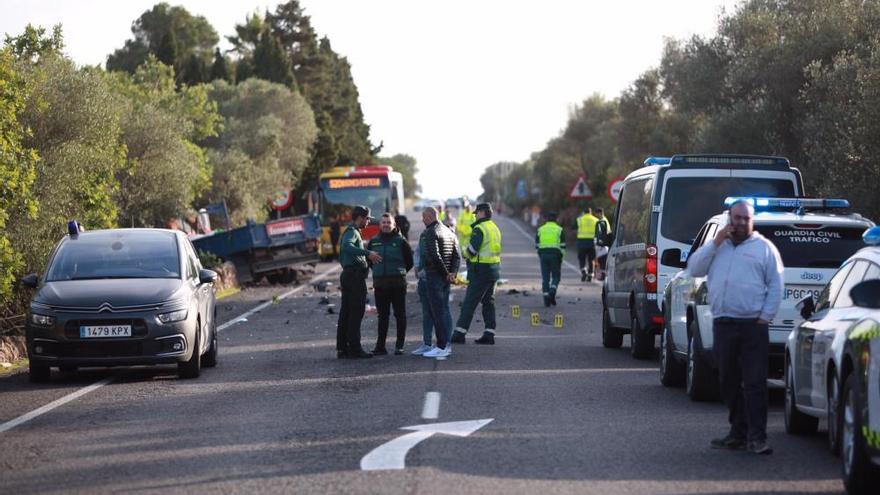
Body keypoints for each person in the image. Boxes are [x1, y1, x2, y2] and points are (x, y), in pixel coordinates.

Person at [686, 199, 783, 455]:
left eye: (745, 219)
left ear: (752, 221)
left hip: (753, 326)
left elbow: (776, 284)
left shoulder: (764, 248)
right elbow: (694, 268)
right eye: (736, 218)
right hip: (724, 323)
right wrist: (715, 242)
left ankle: (757, 437)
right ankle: (738, 432)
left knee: (754, 383)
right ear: (730, 219)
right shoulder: (718, 247)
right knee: (727, 380)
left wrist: (765, 316)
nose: (740, 223)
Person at [450, 202, 502, 345]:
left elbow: (472, 250)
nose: (475, 216)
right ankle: (489, 333)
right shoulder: (494, 228)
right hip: (494, 270)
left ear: (482, 213)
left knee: (469, 303)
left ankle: (459, 333)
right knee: (488, 302)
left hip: (480, 271)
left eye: (476, 213)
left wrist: (465, 254)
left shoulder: (479, 228)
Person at [336, 206, 382, 359]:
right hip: (354, 277)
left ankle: (343, 348)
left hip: (350, 276)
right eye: (367, 218)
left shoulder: (353, 231)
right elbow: (347, 247)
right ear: (360, 218)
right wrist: (367, 253)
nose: (368, 221)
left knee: (347, 312)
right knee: (356, 312)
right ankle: (355, 348)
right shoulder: (352, 232)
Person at [367, 213, 414, 355]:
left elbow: (409, 262)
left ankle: (399, 346)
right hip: (380, 285)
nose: (386, 224)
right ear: (380, 225)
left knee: (400, 315)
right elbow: (369, 261)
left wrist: (398, 272)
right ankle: (380, 346)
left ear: (394, 225)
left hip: (398, 285)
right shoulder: (373, 241)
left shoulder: (401, 241)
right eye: (383, 222)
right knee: (383, 316)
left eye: (389, 222)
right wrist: (379, 271)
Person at [417, 206, 460, 359]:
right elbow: (457, 256)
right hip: (445, 278)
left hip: (435, 276)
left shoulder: (430, 232)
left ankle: (442, 346)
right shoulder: (449, 231)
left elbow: (434, 256)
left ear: (429, 216)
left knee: (438, 312)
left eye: (423, 216)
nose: (422, 220)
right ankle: (445, 344)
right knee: (443, 310)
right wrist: (452, 273)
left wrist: (446, 273)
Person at [536, 212, 565, 307]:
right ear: (556, 219)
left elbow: (537, 245)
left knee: (545, 277)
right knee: (556, 276)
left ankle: (546, 298)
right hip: (555, 255)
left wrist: (540, 254)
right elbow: (563, 246)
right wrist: (561, 258)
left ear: (546, 220)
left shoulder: (540, 229)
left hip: (543, 255)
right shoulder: (560, 230)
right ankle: (552, 291)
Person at [575, 207, 599, 282]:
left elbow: (574, 227)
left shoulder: (580, 219)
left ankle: (583, 271)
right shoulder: (596, 220)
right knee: (591, 259)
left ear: (584, 212)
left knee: (582, 258)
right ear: (590, 212)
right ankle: (590, 275)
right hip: (592, 242)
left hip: (581, 242)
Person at [594, 208, 612, 281]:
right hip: (605, 243)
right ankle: (603, 275)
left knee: (602, 260)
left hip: (604, 244)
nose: (596, 215)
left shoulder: (602, 221)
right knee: (602, 260)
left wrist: (600, 242)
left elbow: (603, 233)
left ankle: (604, 275)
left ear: (600, 213)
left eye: (597, 214)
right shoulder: (604, 220)